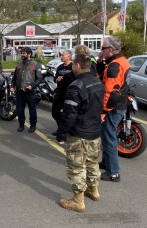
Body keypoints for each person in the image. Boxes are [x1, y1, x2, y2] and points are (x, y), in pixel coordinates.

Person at [56, 53, 104, 212]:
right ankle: (94, 191)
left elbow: (69, 114)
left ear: (77, 66)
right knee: (92, 163)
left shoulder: (76, 86)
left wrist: (61, 132)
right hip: (95, 132)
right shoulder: (98, 82)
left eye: (73, 65)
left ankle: (78, 201)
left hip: (79, 133)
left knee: (77, 167)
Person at [97, 37, 130, 182]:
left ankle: (113, 172)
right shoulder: (121, 60)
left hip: (114, 107)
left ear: (110, 50)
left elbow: (112, 92)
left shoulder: (114, 66)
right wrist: (99, 62)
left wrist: (104, 111)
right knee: (106, 136)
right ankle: (106, 163)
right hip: (119, 104)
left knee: (109, 138)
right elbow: (104, 76)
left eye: (103, 48)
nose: (101, 50)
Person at [11, 46, 41, 133]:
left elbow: (39, 79)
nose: (22, 55)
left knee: (32, 109)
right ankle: (21, 124)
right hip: (19, 91)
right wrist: (12, 85)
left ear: (29, 54)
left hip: (30, 91)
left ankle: (33, 125)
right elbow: (15, 76)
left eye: (23, 53)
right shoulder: (19, 63)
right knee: (20, 109)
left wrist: (32, 86)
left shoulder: (35, 64)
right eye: (21, 53)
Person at [51, 50, 74, 135]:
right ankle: (61, 128)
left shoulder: (73, 66)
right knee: (55, 112)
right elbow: (55, 78)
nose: (61, 57)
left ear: (68, 56)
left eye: (63, 55)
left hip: (70, 94)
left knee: (68, 113)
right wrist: (57, 79)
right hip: (60, 92)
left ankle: (66, 131)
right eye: (61, 55)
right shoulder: (60, 67)